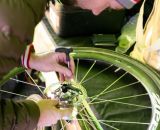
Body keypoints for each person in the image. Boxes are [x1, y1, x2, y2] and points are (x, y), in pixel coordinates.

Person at [0, 0, 74, 130]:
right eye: (110, 4)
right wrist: (35, 114)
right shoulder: (20, 15)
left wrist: (30, 60)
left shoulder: (20, 10)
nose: (97, 12)